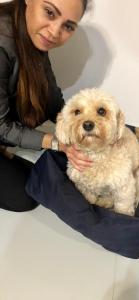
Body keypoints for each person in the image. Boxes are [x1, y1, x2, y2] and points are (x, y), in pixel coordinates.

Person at [0, 0, 92, 212]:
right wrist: (56, 143)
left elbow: (50, 94)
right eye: (50, 13)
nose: (54, 32)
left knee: (50, 173)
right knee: (26, 194)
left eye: (68, 26)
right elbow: (1, 126)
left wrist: (77, 127)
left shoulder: (33, 34)